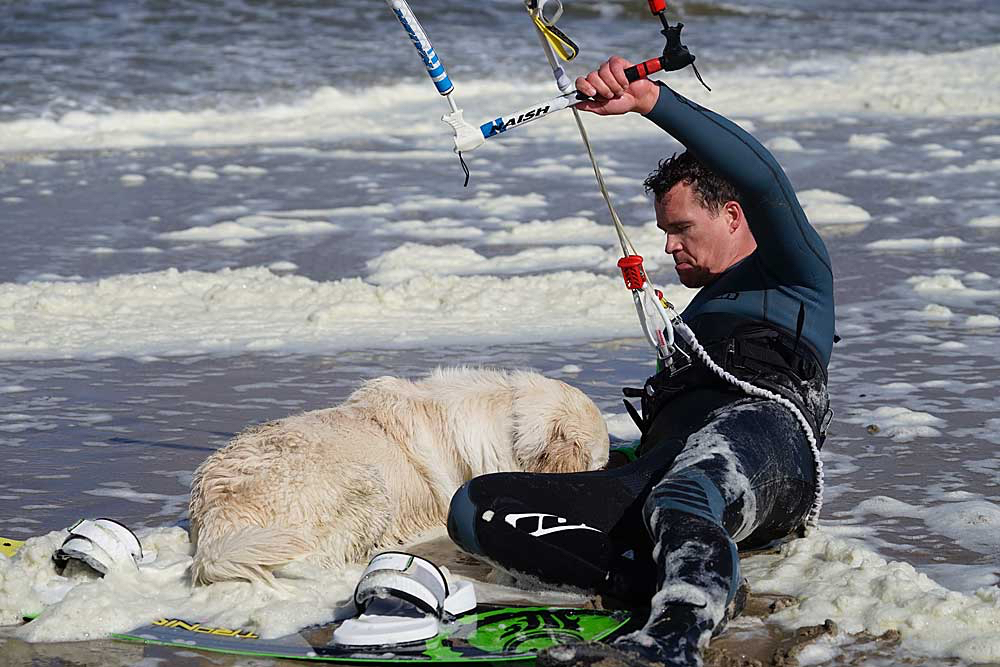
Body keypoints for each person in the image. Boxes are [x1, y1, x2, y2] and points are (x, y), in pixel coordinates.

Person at [446, 56, 835, 667]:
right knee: (477, 509)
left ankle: (673, 642)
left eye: (681, 227)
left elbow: (763, 180)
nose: (667, 244)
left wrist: (654, 102)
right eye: (662, 230)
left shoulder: (794, 275)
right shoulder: (694, 321)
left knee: (684, 492)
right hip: (668, 472)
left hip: (765, 450)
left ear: (733, 217)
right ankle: (677, 584)